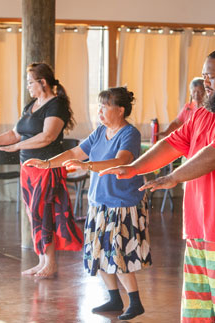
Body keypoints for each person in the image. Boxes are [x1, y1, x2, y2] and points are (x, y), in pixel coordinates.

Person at [101, 49, 215, 323]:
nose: (205, 83)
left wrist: (174, 177)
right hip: (198, 231)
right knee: (197, 316)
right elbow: (171, 143)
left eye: (211, 77)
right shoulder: (203, 114)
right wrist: (135, 167)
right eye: (203, 76)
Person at [24, 87, 151, 320]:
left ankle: (135, 302)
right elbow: (75, 152)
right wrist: (47, 163)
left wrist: (88, 166)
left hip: (122, 204)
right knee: (98, 253)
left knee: (118, 255)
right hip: (99, 203)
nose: (100, 111)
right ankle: (114, 298)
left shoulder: (129, 134)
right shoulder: (100, 131)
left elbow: (121, 161)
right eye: (99, 106)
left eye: (105, 106)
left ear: (121, 110)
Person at [0, 62, 83, 277]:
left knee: (44, 212)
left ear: (43, 82)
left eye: (31, 82)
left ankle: (50, 263)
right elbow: (15, 134)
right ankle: (42, 260)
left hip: (46, 167)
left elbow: (47, 136)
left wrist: (17, 146)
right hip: (28, 168)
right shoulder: (31, 105)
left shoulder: (55, 105)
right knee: (33, 214)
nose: (28, 86)